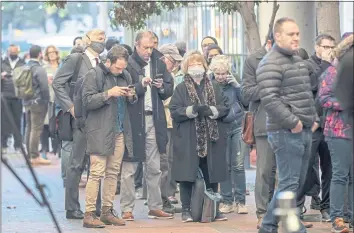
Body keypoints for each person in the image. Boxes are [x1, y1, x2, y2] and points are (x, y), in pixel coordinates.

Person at [256, 17, 318, 233]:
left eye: (297, 34)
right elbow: (270, 100)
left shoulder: (296, 59)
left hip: (303, 130)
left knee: (293, 185)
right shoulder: (270, 63)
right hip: (285, 132)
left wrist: (313, 120)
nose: (296, 38)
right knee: (289, 185)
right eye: (291, 34)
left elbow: (305, 94)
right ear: (277, 36)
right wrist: (294, 123)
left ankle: (268, 225)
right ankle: (293, 228)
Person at [169, 50, 229, 222]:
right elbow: (175, 111)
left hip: (211, 139)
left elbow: (225, 107)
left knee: (211, 174)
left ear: (205, 67)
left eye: (199, 64)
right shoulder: (181, 88)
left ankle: (213, 209)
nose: (197, 68)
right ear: (187, 68)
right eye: (192, 65)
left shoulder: (214, 86)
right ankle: (186, 210)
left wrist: (212, 111)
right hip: (188, 138)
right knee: (187, 174)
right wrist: (192, 110)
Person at [120, 31, 174, 220]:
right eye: (145, 47)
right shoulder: (128, 62)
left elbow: (169, 87)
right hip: (134, 120)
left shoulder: (159, 61)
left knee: (154, 166)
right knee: (129, 167)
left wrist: (161, 87)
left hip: (154, 119)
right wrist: (140, 85)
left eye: (151, 47)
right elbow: (126, 90)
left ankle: (155, 206)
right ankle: (127, 208)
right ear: (136, 45)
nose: (149, 51)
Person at [81, 46, 137, 228]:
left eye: (123, 68)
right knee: (96, 172)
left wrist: (131, 96)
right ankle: (89, 214)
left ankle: (107, 211)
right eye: (117, 68)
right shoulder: (94, 74)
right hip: (99, 129)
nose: (121, 71)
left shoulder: (125, 75)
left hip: (119, 130)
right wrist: (108, 93)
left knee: (113, 173)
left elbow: (132, 101)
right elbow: (87, 101)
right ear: (108, 62)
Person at [53, 29, 106, 219]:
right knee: (76, 164)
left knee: (97, 165)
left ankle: (96, 207)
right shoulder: (76, 59)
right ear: (87, 40)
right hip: (80, 120)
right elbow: (57, 83)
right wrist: (70, 107)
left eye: (103, 37)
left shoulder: (103, 63)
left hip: (99, 119)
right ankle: (72, 207)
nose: (102, 40)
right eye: (98, 37)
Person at [297, 34, 336, 222]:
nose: (329, 50)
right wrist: (326, 65)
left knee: (329, 169)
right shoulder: (307, 65)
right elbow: (313, 85)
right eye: (326, 46)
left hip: (330, 125)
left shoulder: (335, 66)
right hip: (312, 125)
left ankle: (326, 206)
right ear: (317, 46)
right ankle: (297, 207)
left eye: (332, 47)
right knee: (305, 167)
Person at [318, 32, 353, 233]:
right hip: (338, 130)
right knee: (340, 174)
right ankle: (337, 218)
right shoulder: (332, 72)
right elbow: (324, 98)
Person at [241, 33, 276, 229]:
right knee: (264, 171)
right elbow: (246, 93)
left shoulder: (292, 58)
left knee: (285, 174)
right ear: (270, 42)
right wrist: (270, 87)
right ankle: (263, 213)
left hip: (288, 122)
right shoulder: (253, 60)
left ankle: (281, 211)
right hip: (264, 122)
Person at [208, 55, 248, 215]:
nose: (221, 77)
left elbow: (246, 102)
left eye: (224, 73)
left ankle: (241, 201)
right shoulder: (210, 85)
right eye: (218, 73)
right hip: (220, 127)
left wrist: (237, 86)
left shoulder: (235, 82)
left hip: (237, 125)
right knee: (224, 165)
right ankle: (226, 200)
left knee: (238, 164)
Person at [159, 44, 183, 205]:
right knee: (164, 160)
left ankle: (170, 191)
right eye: (172, 60)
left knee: (173, 159)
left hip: (173, 122)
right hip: (163, 121)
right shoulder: (159, 75)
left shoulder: (173, 76)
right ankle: (164, 194)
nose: (175, 64)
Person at [24, 45, 51, 166]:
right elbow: (44, 88)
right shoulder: (39, 69)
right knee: (36, 129)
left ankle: (29, 155)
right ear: (40, 54)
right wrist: (47, 101)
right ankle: (34, 156)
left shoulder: (24, 67)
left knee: (29, 128)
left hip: (27, 102)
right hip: (38, 103)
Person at [1, 44, 26, 154]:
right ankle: (3, 145)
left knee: (17, 121)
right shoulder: (2, 63)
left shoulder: (22, 63)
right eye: (11, 52)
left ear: (18, 52)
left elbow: (27, 78)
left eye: (15, 52)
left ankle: (18, 145)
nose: (13, 54)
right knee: (4, 121)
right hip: (4, 96)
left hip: (18, 97)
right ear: (8, 52)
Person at [41, 45, 61, 158]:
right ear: (47, 55)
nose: (52, 54)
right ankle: (44, 150)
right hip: (47, 99)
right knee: (45, 125)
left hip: (59, 100)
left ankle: (57, 149)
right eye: (49, 53)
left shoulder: (61, 66)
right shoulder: (44, 67)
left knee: (57, 126)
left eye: (53, 52)